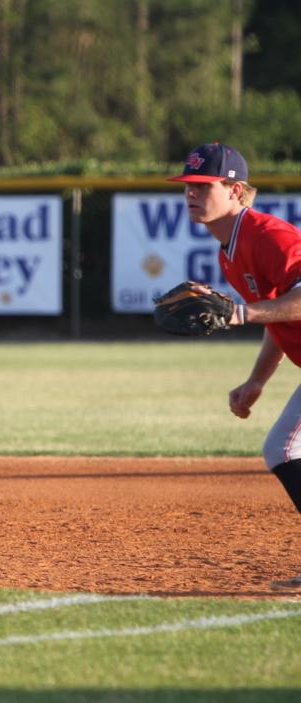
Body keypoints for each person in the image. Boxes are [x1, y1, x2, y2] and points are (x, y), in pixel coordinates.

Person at [169, 141, 301, 590]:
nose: (190, 194)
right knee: (283, 448)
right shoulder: (231, 249)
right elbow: (280, 315)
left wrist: (243, 313)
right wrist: (256, 381)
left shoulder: (268, 236)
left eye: (202, 185)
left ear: (235, 190)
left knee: (283, 449)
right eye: (187, 186)